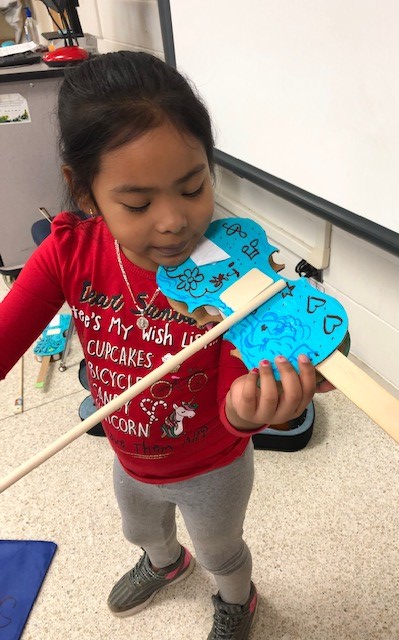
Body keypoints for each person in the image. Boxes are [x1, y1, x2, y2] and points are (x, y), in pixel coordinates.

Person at [0, 51, 333, 639]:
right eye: (137, 204)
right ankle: (164, 563)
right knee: (142, 531)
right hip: (130, 458)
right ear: (86, 192)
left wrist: (247, 409)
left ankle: (238, 599)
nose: (176, 222)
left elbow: (241, 387)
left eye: (193, 186)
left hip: (213, 464)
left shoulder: (234, 269)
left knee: (221, 551)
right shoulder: (68, 253)